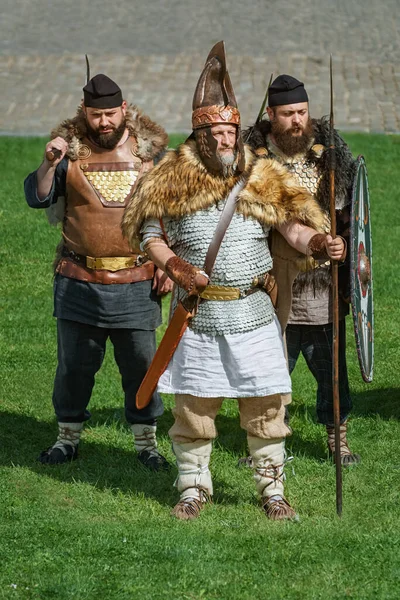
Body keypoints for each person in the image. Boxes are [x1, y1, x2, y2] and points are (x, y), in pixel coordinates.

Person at [122, 43, 345, 520]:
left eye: (230, 130)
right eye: (217, 132)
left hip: (253, 311)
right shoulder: (171, 177)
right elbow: (150, 234)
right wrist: (177, 269)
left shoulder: (260, 174)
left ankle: (272, 490)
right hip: (199, 315)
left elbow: (290, 224)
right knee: (194, 410)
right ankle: (192, 488)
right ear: (201, 134)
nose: (226, 139)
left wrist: (317, 244)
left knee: (266, 408)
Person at [24, 71, 173, 470]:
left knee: (142, 366)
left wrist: (170, 262)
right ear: (84, 112)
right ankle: (66, 439)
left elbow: (173, 212)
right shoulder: (67, 153)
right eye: (95, 115)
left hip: (137, 283)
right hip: (78, 282)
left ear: (124, 109)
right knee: (74, 366)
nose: (104, 122)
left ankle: (146, 443)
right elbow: (37, 197)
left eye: (110, 114)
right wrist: (47, 162)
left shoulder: (150, 155)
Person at [244, 74, 359, 465]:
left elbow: (347, 216)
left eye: (302, 112)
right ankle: (264, 441)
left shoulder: (330, 156)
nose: (297, 120)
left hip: (324, 280)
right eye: (288, 113)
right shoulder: (254, 159)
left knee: (331, 369)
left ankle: (337, 439)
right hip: (271, 280)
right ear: (271, 115)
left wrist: (344, 244)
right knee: (269, 366)